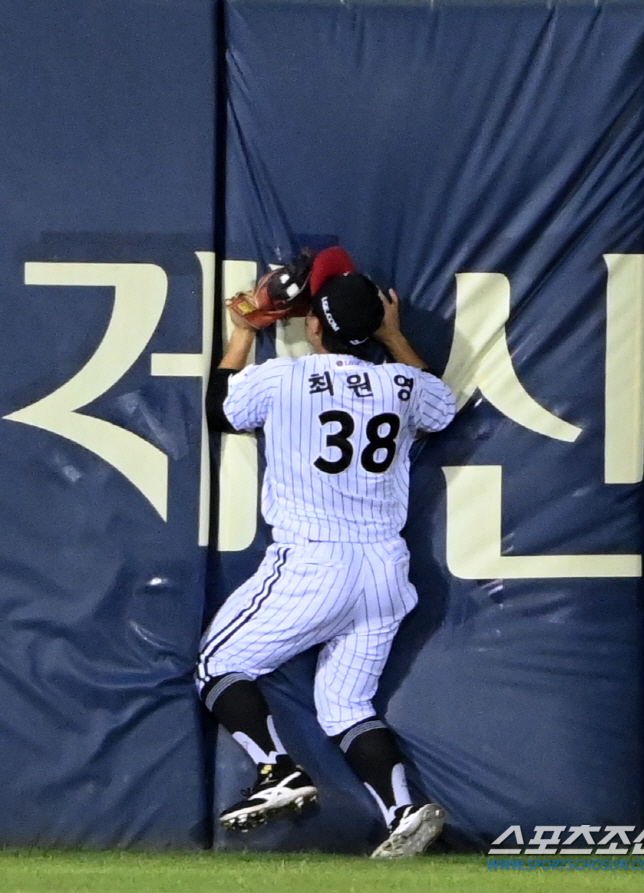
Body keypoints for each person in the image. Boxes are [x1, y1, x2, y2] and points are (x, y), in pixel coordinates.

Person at [197, 252, 456, 858]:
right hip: (385, 572)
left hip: (315, 562)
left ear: (314, 324)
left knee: (219, 667)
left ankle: (277, 771)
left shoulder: (282, 377)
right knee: (345, 705)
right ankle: (403, 810)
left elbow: (219, 411)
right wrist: (395, 337)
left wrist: (243, 333)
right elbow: (440, 408)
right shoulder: (402, 383)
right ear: (373, 329)